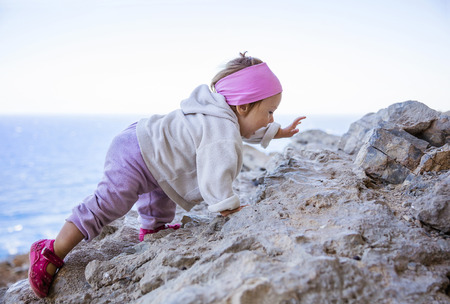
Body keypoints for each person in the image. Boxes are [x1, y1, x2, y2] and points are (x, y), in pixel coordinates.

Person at [28, 52, 306, 298]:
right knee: (108, 204)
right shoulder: (220, 129)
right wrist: (229, 208)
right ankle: (51, 251)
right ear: (243, 106)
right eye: (269, 112)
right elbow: (215, 172)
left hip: (149, 149)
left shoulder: (223, 114)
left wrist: (277, 131)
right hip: (135, 154)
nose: (271, 118)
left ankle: (153, 228)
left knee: (162, 194)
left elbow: (246, 129)